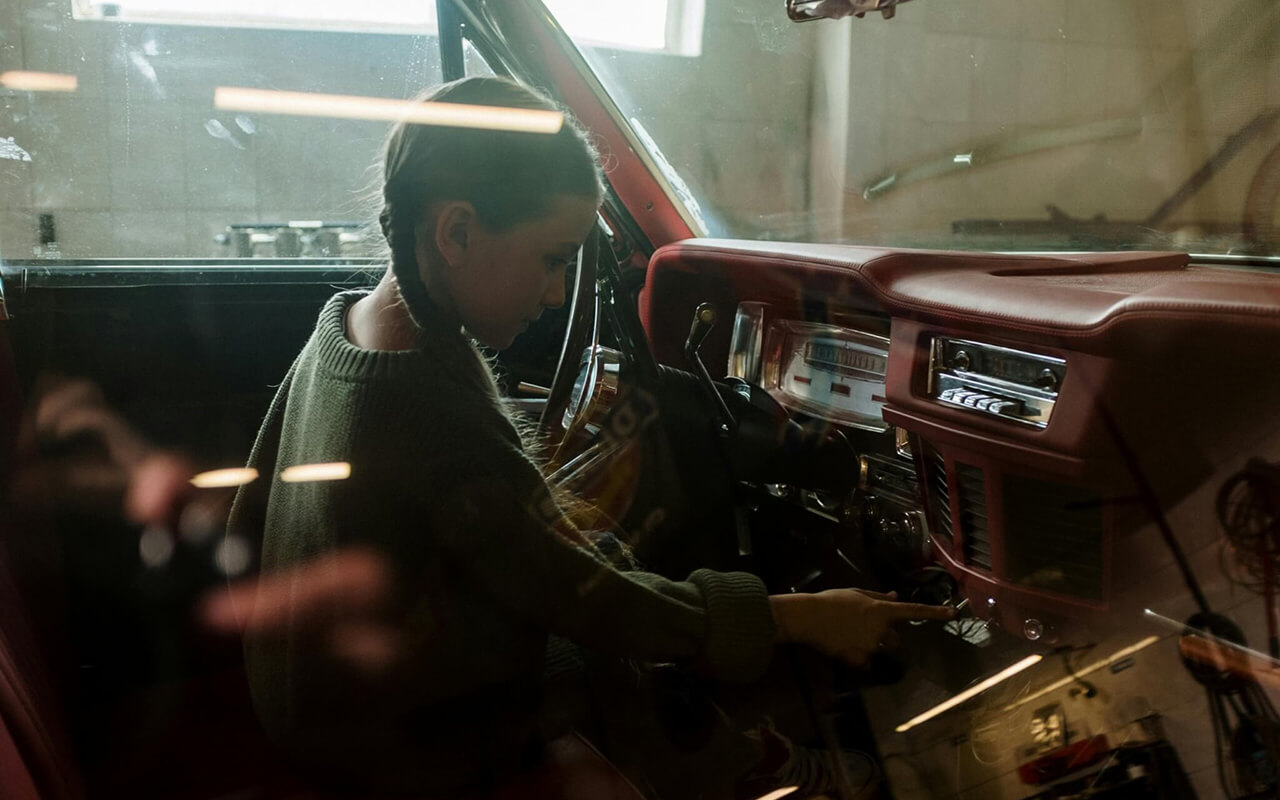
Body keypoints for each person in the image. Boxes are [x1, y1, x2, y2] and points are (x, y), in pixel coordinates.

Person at [226, 76, 953, 798]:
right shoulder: (430, 409)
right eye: (552, 259)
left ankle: (735, 756)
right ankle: (747, 772)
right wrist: (802, 616)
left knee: (610, 585)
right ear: (456, 231)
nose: (554, 294)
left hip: (305, 694)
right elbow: (592, 601)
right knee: (610, 652)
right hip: (392, 744)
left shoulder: (347, 327)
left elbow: (251, 517)